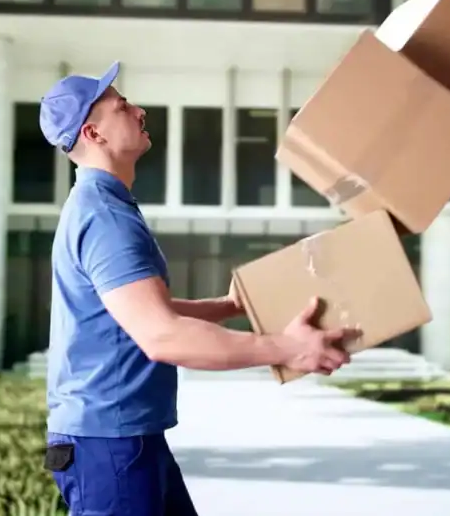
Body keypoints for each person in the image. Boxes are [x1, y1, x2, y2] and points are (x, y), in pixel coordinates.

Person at [37, 62, 358, 515]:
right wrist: (286, 349)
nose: (139, 110)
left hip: (126, 438)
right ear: (95, 134)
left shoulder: (103, 207)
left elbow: (144, 311)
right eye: (122, 106)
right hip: (110, 447)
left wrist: (227, 306)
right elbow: (161, 335)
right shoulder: (105, 219)